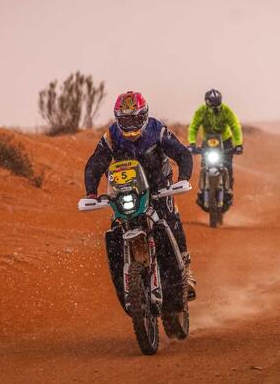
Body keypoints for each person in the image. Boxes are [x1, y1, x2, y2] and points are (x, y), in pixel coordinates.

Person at [84, 91, 197, 307]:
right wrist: (91, 192)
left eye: (135, 119)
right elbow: (95, 164)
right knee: (116, 228)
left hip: (158, 188)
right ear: (118, 119)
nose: (130, 125)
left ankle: (186, 270)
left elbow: (183, 153)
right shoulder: (111, 136)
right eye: (125, 120)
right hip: (127, 192)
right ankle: (126, 277)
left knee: (170, 218)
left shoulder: (158, 130)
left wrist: (183, 178)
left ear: (144, 116)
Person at [187, 89, 243, 207]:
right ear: (207, 103)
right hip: (208, 142)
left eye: (217, 104)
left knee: (227, 166)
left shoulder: (226, 110)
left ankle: (228, 190)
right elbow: (193, 127)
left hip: (225, 141)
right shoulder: (201, 111)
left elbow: (235, 126)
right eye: (213, 104)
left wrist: (238, 144)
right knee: (204, 165)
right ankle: (202, 189)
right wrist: (192, 144)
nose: (215, 107)